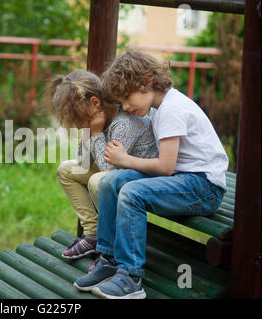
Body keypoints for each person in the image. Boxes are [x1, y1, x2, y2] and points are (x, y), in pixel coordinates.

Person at [73, 51, 229, 299]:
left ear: (145, 82)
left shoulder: (171, 109)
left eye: (126, 98)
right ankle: (110, 258)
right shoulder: (158, 108)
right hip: (181, 179)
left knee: (132, 193)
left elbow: (165, 166)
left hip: (204, 187)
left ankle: (131, 277)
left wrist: (125, 160)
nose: (124, 106)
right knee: (111, 182)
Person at [44, 70, 158, 260]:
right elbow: (83, 162)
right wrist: (88, 134)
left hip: (142, 178)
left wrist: (95, 134)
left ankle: (112, 242)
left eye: (79, 120)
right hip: (118, 172)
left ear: (95, 103)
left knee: (98, 181)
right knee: (66, 169)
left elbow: (109, 174)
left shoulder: (124, 123)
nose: (79, 126)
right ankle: (94, 235)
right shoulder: (96, 121)